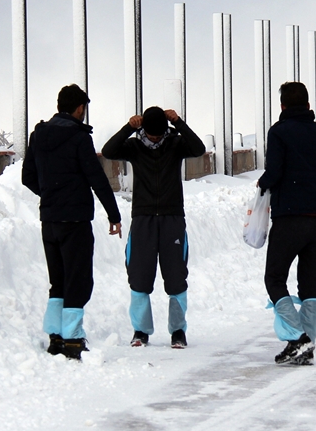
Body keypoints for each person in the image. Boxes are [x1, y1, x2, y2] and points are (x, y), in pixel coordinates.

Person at [22, 84, 123, 361]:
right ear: (80, 108)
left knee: (58, 281)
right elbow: (97, 179)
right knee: (78, 280)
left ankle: (55, 337)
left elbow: (27, 177)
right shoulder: (79, 137)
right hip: (75, 221)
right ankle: (73, 339)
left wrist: (51, 194)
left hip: (49, 220)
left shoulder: (38, 136)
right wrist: (114, 215)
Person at [101, 106, 207, 348]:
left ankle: (178, 331)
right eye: (151, 135)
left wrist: (179, 122)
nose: (155, 139)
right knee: (139, 276)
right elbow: (108, 151)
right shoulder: (134, 146)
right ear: (143, 130)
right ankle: (141, 331)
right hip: (143, 218)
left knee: (176, 277)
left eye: (159, 135)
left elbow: (199, 149)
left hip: (172, 218)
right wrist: (129, 128)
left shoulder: (175, 144)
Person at [257, 81, 316, 366]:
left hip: (290, 219)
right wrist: (312, 181)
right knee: (309, 285)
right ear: (308, 105)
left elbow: (274, 172)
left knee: (274, 279)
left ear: (282, 106)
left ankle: (298, 337)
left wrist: (263, 183)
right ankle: (306, 346)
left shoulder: (279, 132)